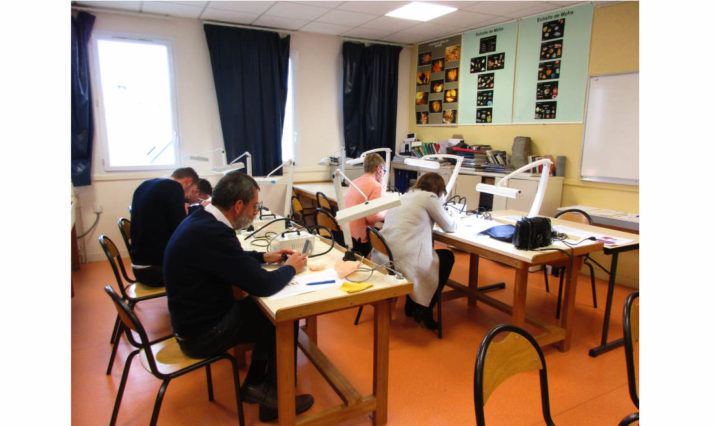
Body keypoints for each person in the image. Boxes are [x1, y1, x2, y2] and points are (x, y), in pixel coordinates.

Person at [162, 171, 314, 422]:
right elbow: (262, 285)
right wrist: (291, 268)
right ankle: (276, 398)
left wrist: (264, 257)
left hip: (190, 323)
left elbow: (229, 259)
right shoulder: (214, 233)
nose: (256, 213)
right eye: (255, 207)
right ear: (238, 205)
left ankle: (258, 386)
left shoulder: (203, 218)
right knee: (282, 317)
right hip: (200, 336)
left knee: (263, 314)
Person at [369, 172, 457, 330]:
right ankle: (425, 308)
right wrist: (451, 216)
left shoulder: (404, 196)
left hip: (384, 256)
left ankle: (413, 303)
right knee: (447, 257)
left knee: (427, 254)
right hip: (402, 260)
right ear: (438, 191)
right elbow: (449, 226)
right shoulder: (429, 198)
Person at [129, 167, 199, 286]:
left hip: (139, 266)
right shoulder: (174, 187)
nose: (187, 196)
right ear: (188, 181)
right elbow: (181, 229)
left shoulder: (146, 185)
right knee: (205, 264)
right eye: (192, 190)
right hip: (155, 271)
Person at [343, 153, 387, 256]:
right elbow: (372, 217)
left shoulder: (354, 181)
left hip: (344, 231)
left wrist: (380, 185)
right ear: (379, 168)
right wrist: (387, 213)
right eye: (383, 171)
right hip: (358, 239)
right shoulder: (376, 186)